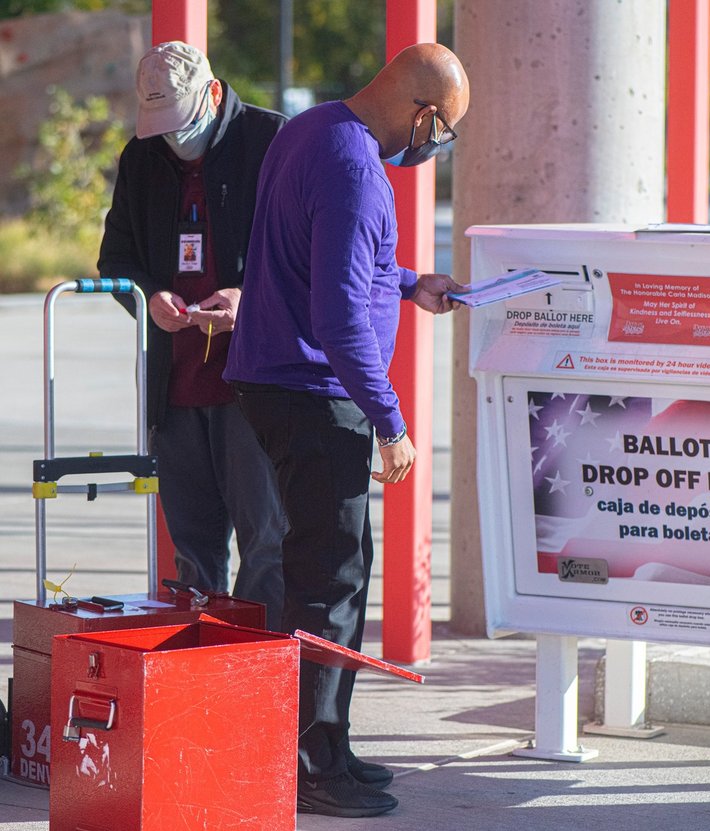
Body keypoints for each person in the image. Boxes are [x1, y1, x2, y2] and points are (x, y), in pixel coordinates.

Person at [225, 42, 469, 818]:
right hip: (310, 392)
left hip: (274, 380)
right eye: (441, 131)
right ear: (422, 111)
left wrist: (410, 284)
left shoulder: (310, 130)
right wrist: (391, 422)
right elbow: (336, 316)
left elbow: (332, 263)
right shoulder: (361, 173)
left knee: (333, 571)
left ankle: (328, 745)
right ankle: (306, 761)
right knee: (328, 583)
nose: (431, 147)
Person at [98, 41, 288, 629]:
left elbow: (309, 256)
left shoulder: (272, 142)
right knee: (193, 552)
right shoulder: (141, 157)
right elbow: (117, 257)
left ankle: (253, 668)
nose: (170, 139)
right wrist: (148, 297)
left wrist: (246, 299)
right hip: (175, 389)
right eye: (158, 126)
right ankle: (200, 671)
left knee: (267, 545)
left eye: (178, 123)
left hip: (253, 383)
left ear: (211, 93)